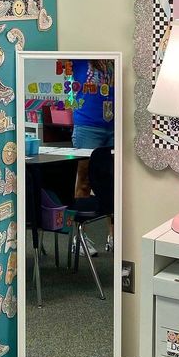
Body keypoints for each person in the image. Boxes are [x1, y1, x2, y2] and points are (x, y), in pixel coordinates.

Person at [69, 59, 115, 251]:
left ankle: (114, 236)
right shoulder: (82, 59)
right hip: (88, 126)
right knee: (85, 181)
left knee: (112, 184)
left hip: (113, 124)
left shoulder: (112, 60)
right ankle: (78, 239)